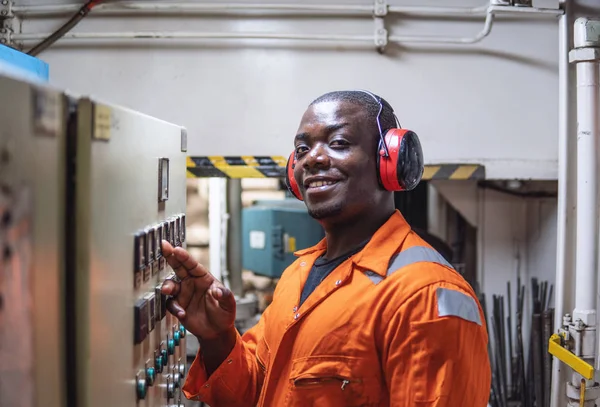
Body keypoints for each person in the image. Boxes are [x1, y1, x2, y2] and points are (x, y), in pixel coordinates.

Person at [160, 90, 492, 406]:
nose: (314, 159)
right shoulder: (297, 277)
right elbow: (252, 394)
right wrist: (218, 337)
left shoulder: (425, 295)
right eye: (302, 149)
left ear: (389, 160)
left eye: (338, 143)